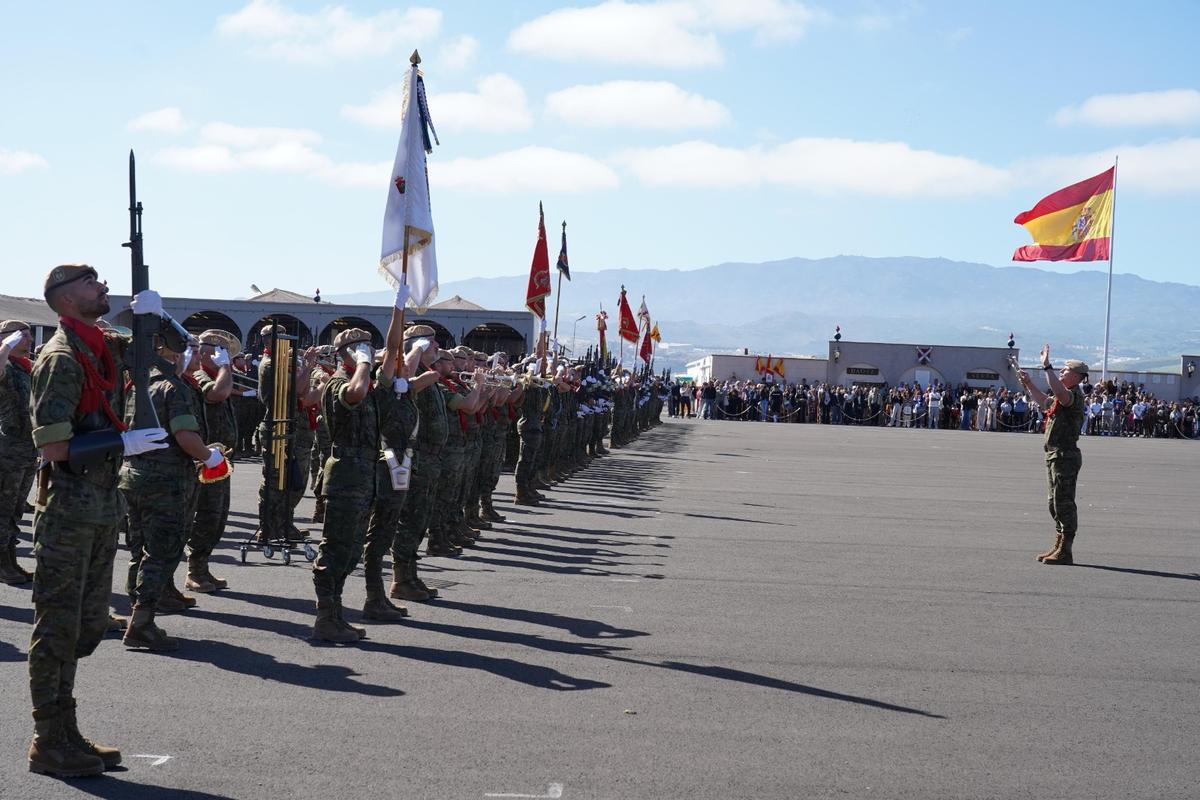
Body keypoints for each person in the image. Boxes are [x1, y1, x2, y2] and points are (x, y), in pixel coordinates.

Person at [27, 265, 170, 776]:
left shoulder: (99, 344)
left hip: (102, 507)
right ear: (65, 300)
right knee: (58, 628)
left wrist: (158, 316)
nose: (104, 287)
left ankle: (66, 731)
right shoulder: (62, 358)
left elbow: (163, 353)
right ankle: (50, 738)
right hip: (68, 511)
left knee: (87, 628)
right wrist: (122, 442)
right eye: (91, 283)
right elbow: (54, 445)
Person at [121, 323, 231, 648]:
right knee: (161, 552)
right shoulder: (175, 387)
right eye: (189, 349)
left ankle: (143, 606)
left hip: (134, 476)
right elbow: (185, 437)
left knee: (138, 548)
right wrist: (209, 457)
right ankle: (142, 622)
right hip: (166, 481)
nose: (192, 355)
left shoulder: (138, 385)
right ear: (171, 351)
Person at [1017, 345, 1088, 566]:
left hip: (1065, 456)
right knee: (1054, 503)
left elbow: (1059, 393)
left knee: (1064, 502)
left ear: (1076, 376)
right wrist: (1028, 384)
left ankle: (1066, 550)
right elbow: (1044, 402)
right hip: (1055, 455)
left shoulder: (1074, 395)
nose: (1061, 372)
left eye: (1065, 371)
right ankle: (1058, 545)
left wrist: (1046, 366)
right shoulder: (1062, 396)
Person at [184, 329, 238, 593]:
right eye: (219, 351)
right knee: (205, 515)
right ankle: (194, 570)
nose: (223, 356)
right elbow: (218, 394)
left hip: (220, 458)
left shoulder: (218, 374)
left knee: (217, 517)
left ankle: (202, 566)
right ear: (206, 352)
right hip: (204, 457)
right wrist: (226, 366)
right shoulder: (199, 374)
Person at [0, 320, 37, 584]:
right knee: (2, 509)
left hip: (28, 450)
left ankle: (10, 559)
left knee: (15, 511)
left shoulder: (27, 368)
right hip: (8, 450)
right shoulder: (6, 366)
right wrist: (5, 346)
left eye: (28, 334)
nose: (28, 339)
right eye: (21, 335)